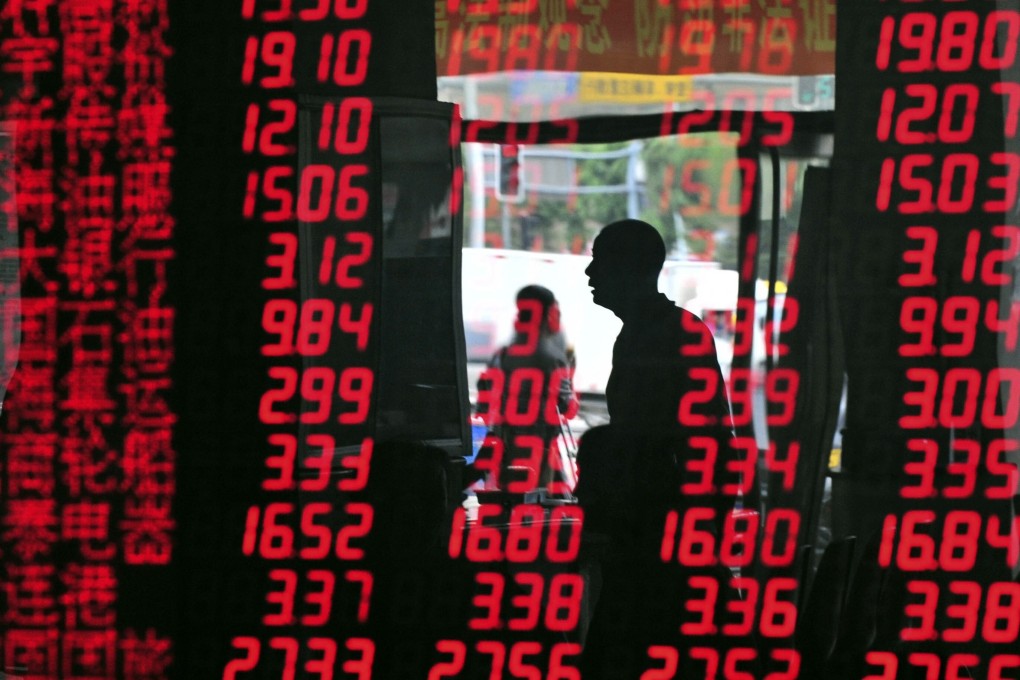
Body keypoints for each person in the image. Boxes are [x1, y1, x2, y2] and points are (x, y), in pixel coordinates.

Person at [576, 219, 736, 678]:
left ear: (629, 269)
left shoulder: (654, 338)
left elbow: (652, 443)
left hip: (658, 550)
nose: (590, 273)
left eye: (600, 260)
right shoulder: (670, 331)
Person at [474, 285, 578, 494]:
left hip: (504, 448)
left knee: (505, 504)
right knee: (537, 506)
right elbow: (568, 408)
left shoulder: (501, 355)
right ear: (548, 314)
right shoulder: (554, 358)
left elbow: (485, 405)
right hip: (540, 451)